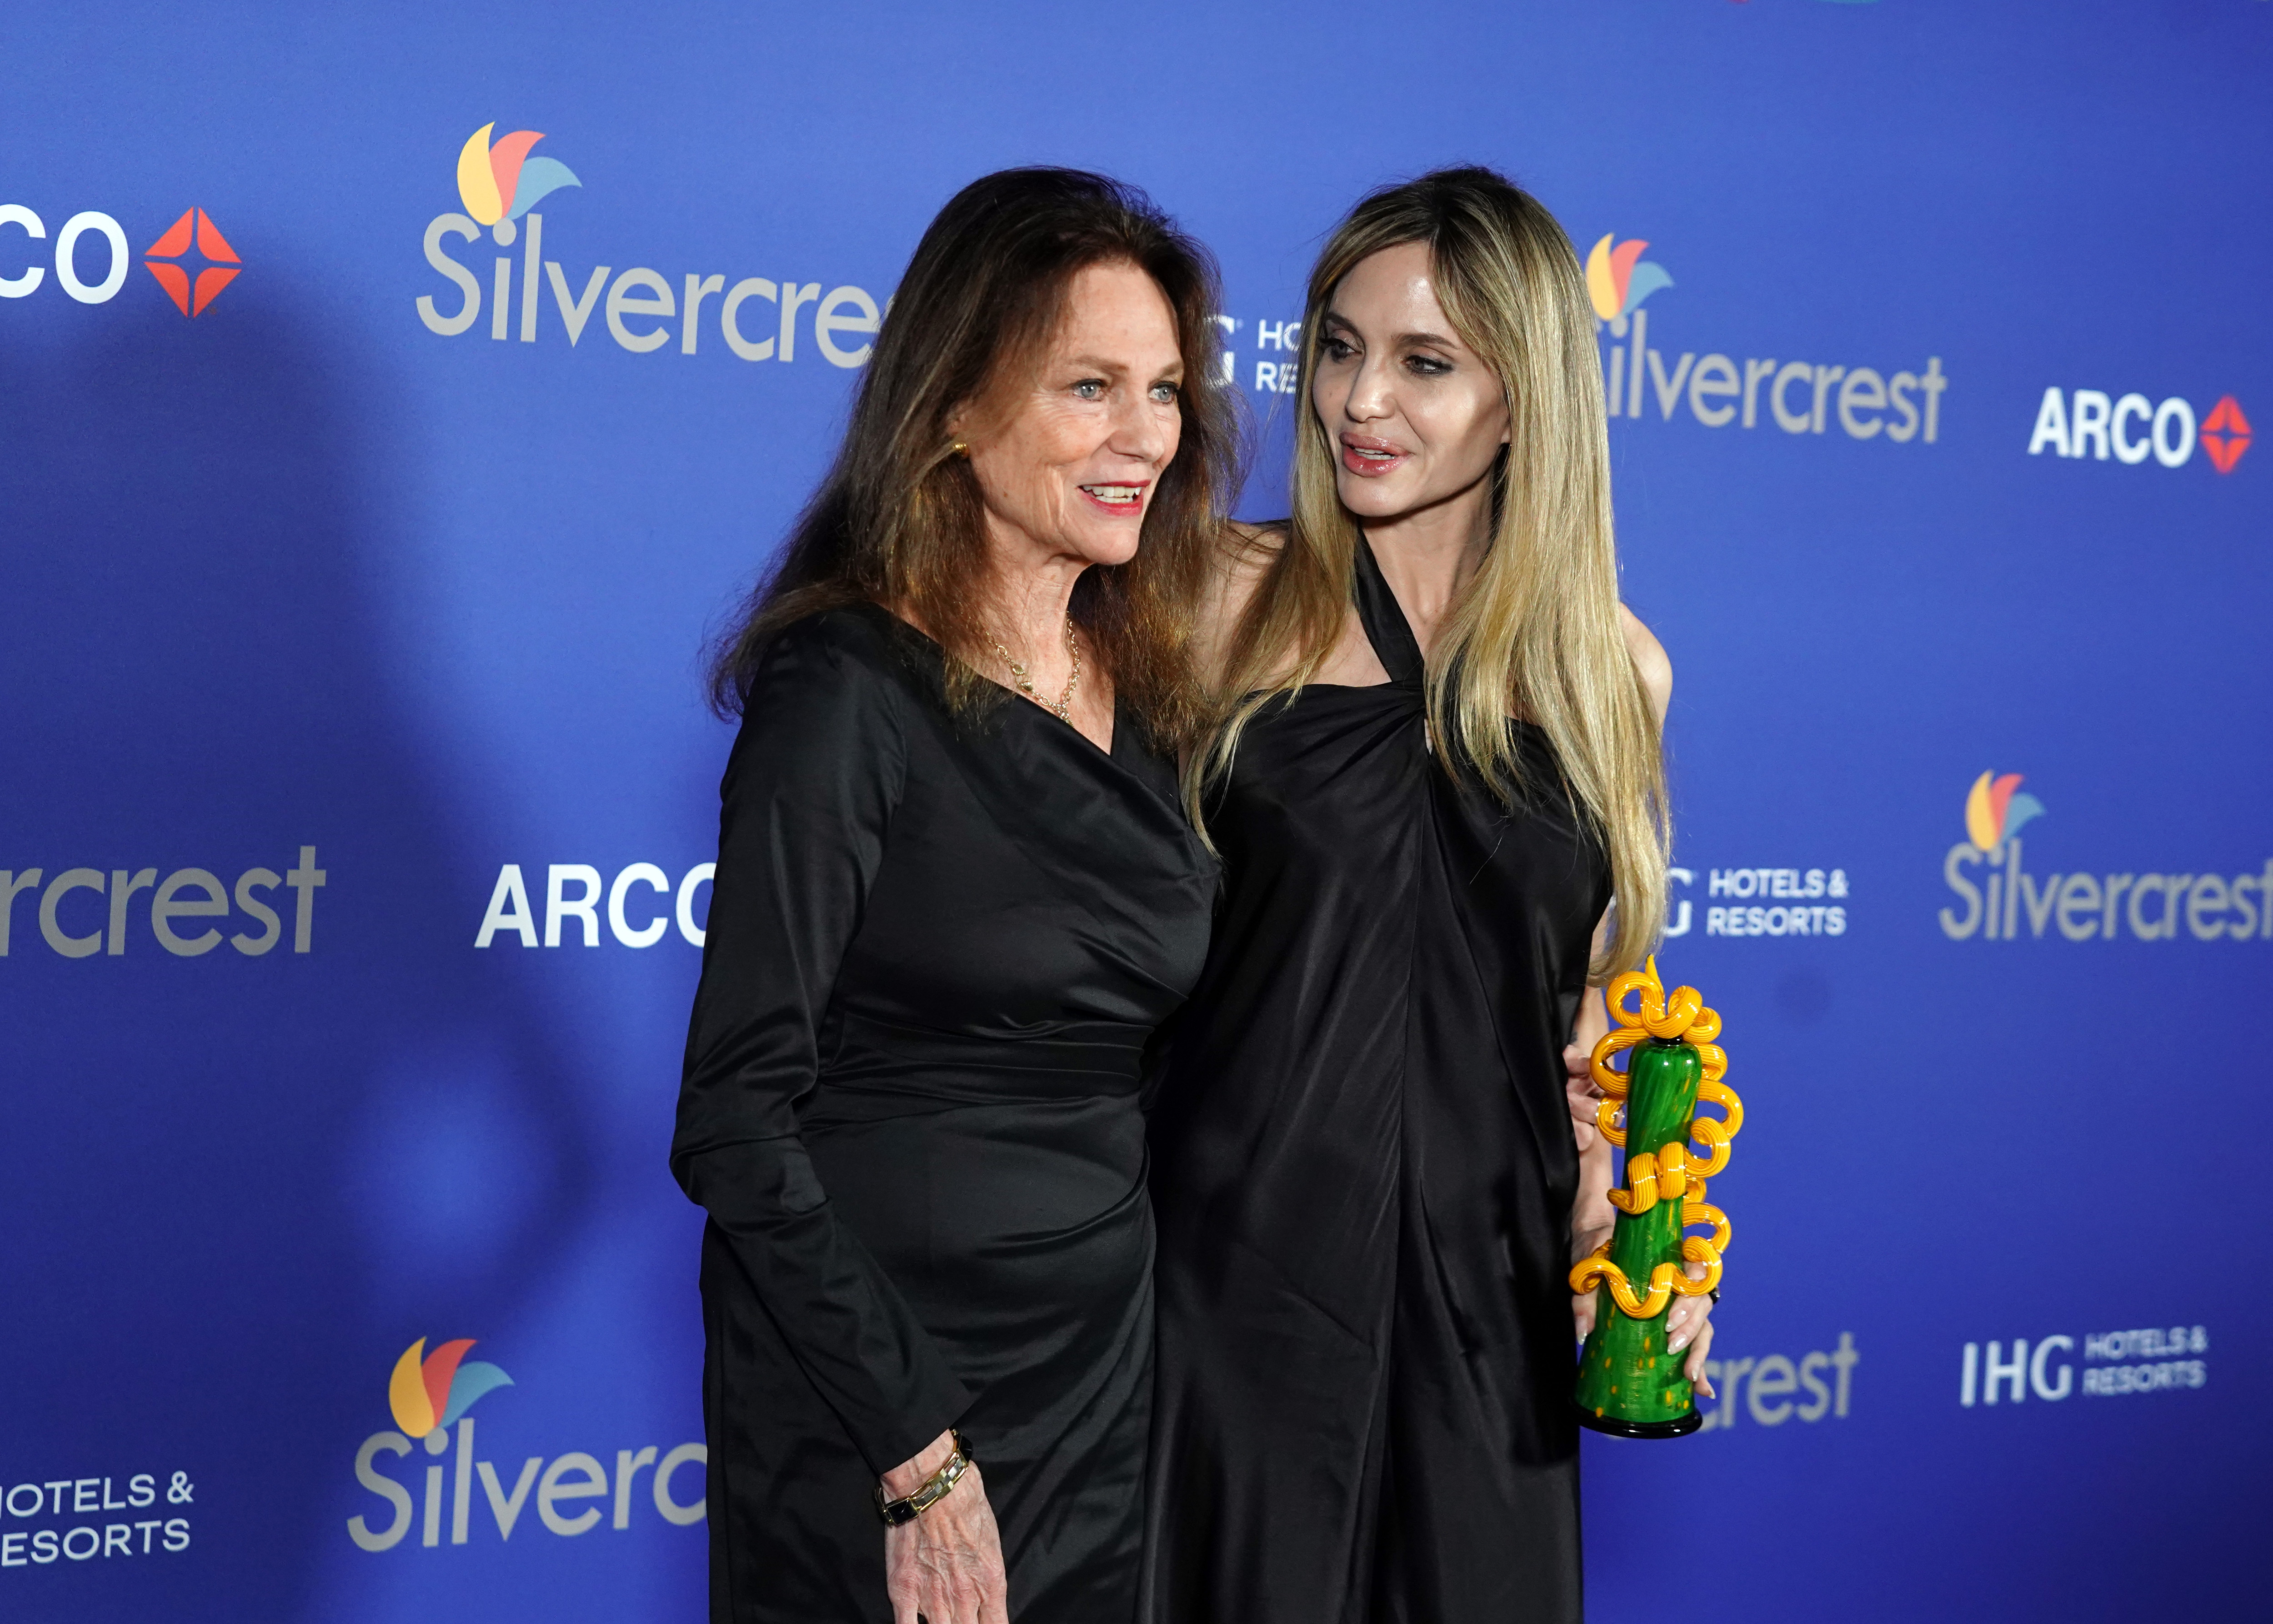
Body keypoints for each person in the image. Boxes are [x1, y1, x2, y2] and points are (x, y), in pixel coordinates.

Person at [1142, 166, 1713, 1624]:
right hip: (1227, 1309)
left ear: (1525, 402)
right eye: (1337, 346)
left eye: (1424, 363)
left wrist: (1623, 1245)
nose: (1358, 403)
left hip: (1491, 1328)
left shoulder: (1615, 679)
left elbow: (1583, 1029)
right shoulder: (1214, 601)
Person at [674, 168, 1234, 1624]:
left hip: (1098, 1386)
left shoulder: (1163, 695)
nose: (1144, 439)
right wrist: (917, 1453)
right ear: (951, 409)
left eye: (1165, 390)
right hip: (881, 1405)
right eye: (1090, 386)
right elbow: (734, 1116)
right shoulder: (846, 690)